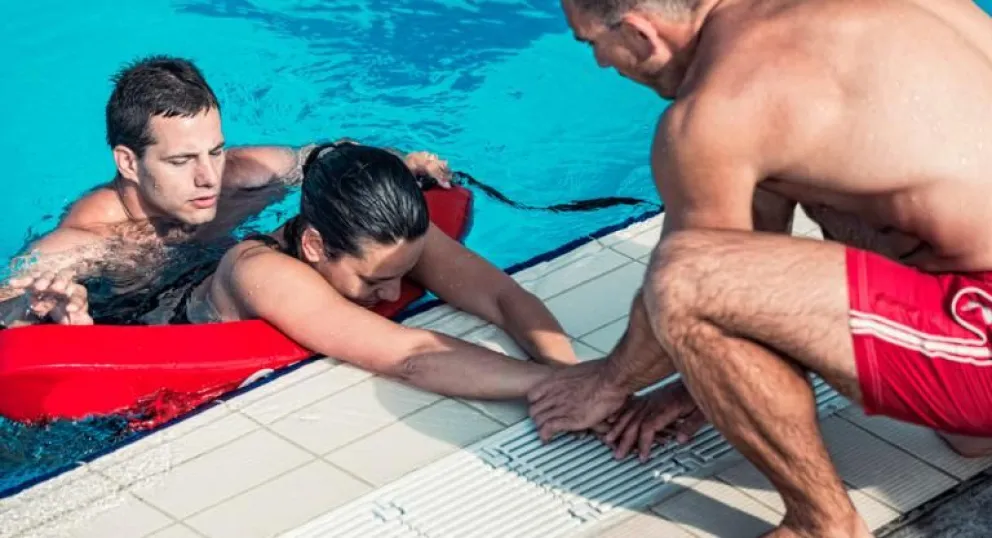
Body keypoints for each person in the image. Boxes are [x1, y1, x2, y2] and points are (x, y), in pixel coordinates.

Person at [526, 0, 992, 536]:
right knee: (963, 432)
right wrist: (705, 384)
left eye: (591, 44)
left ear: (639, 34)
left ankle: (822, 524)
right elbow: (753, 268)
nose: (601, 64)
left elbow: (701, 285)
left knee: (683, 279)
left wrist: (607, 383)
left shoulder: (716, 112)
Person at [0, 55, 450, 328]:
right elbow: (7, 296)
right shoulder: (91, 239)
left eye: (215, 151)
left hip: (218, 288)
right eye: (181, 161)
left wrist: (400, 161)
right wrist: (32, 304)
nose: (208, 178)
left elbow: (331, 160)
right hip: (134, 320)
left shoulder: (244, 174)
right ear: (128, 162)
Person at [171, 142, 578, 398]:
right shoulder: (261, 272)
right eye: (374, 281)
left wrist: (574, 373)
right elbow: (411, 357)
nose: (392, 292)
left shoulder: (391, 237)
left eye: (404, 271)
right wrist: (555, 387)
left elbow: (503, 297)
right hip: (166, 327)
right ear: (314, 246)